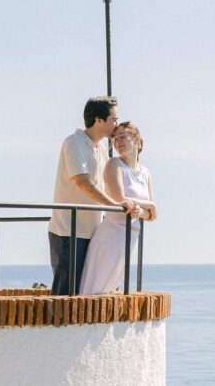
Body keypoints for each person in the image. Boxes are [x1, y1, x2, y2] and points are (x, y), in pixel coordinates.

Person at [47, 96, 139, 295]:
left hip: (94, 231)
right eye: (114, 119)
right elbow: (82, 181)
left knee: (89, 291)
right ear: (99, 120)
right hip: (69, 231)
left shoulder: (101, 149)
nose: (116, 125)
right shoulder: (74, 143)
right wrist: (114, 204)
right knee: (66, 293)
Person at [80, 121, 157, 295]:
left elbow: (152, 215)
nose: (118, 142)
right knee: (94, 290)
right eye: (115, 138)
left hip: (130, 236)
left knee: (108, 288)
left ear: (136, 138)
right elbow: (119, 199)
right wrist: (150, 205)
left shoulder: (145, 172)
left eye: (122, 136)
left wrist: (141, 211)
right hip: (112, 235)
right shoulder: (114, 164)